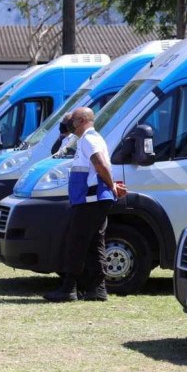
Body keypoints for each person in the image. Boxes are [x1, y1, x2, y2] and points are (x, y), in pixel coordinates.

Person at [43, 107, 127, 302]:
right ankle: (97, 289)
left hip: (90, 200)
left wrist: (111, 185)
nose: (69, 124)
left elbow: (100, 164)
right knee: (94, 243)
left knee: (76, 243)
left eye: (72, 120)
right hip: (93, 200)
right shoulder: (90, 139)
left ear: (81, 121)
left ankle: (68, 288)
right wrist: (111, 186)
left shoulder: (89, 139)